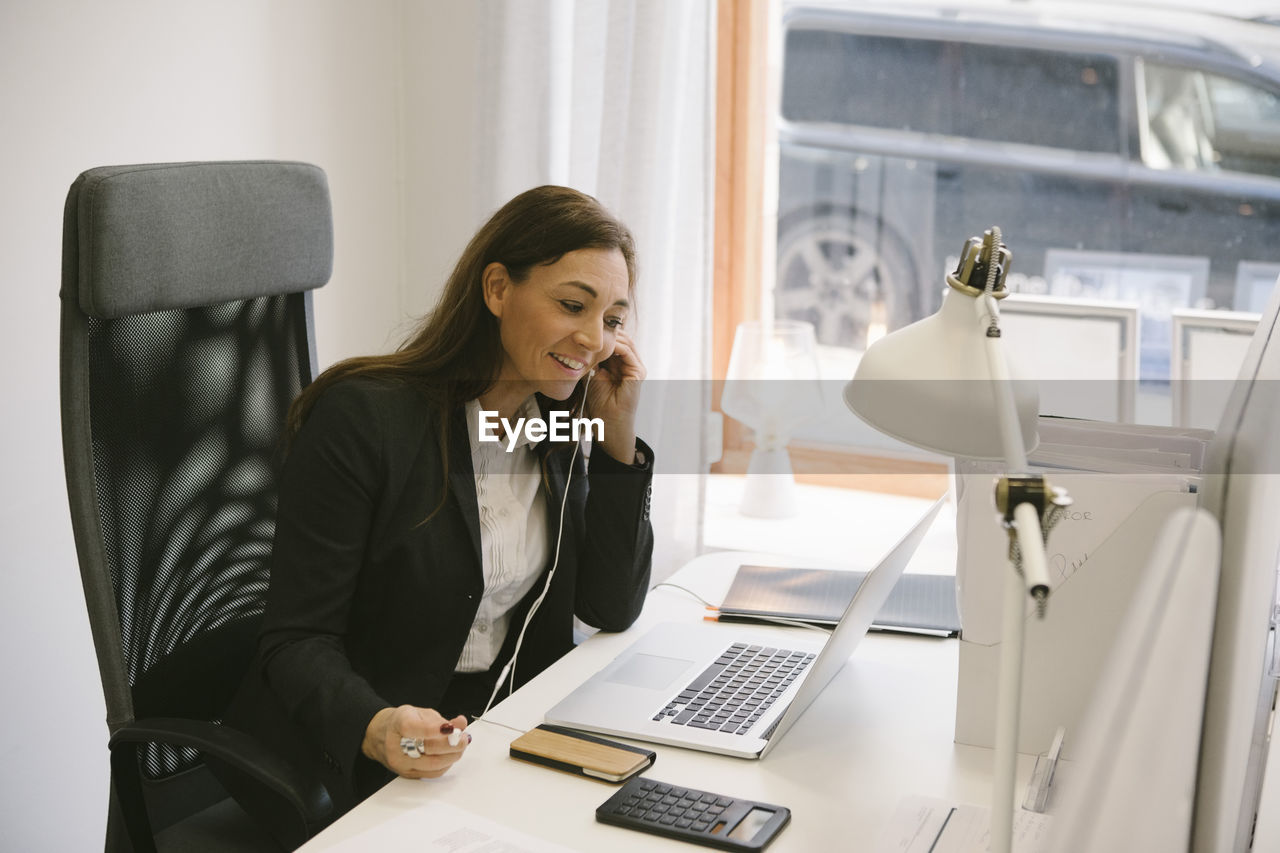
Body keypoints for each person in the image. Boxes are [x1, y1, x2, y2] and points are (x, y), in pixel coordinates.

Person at [224, 185, 655, 819]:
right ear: (498, 289)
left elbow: (609, 606)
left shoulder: (555, 420)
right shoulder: (365, 419)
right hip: (353, 762)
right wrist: (377, 725)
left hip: (490, 745)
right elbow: (295, 640)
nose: (595, 340)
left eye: (614, 320)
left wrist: (616, 441)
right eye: (572, 305)